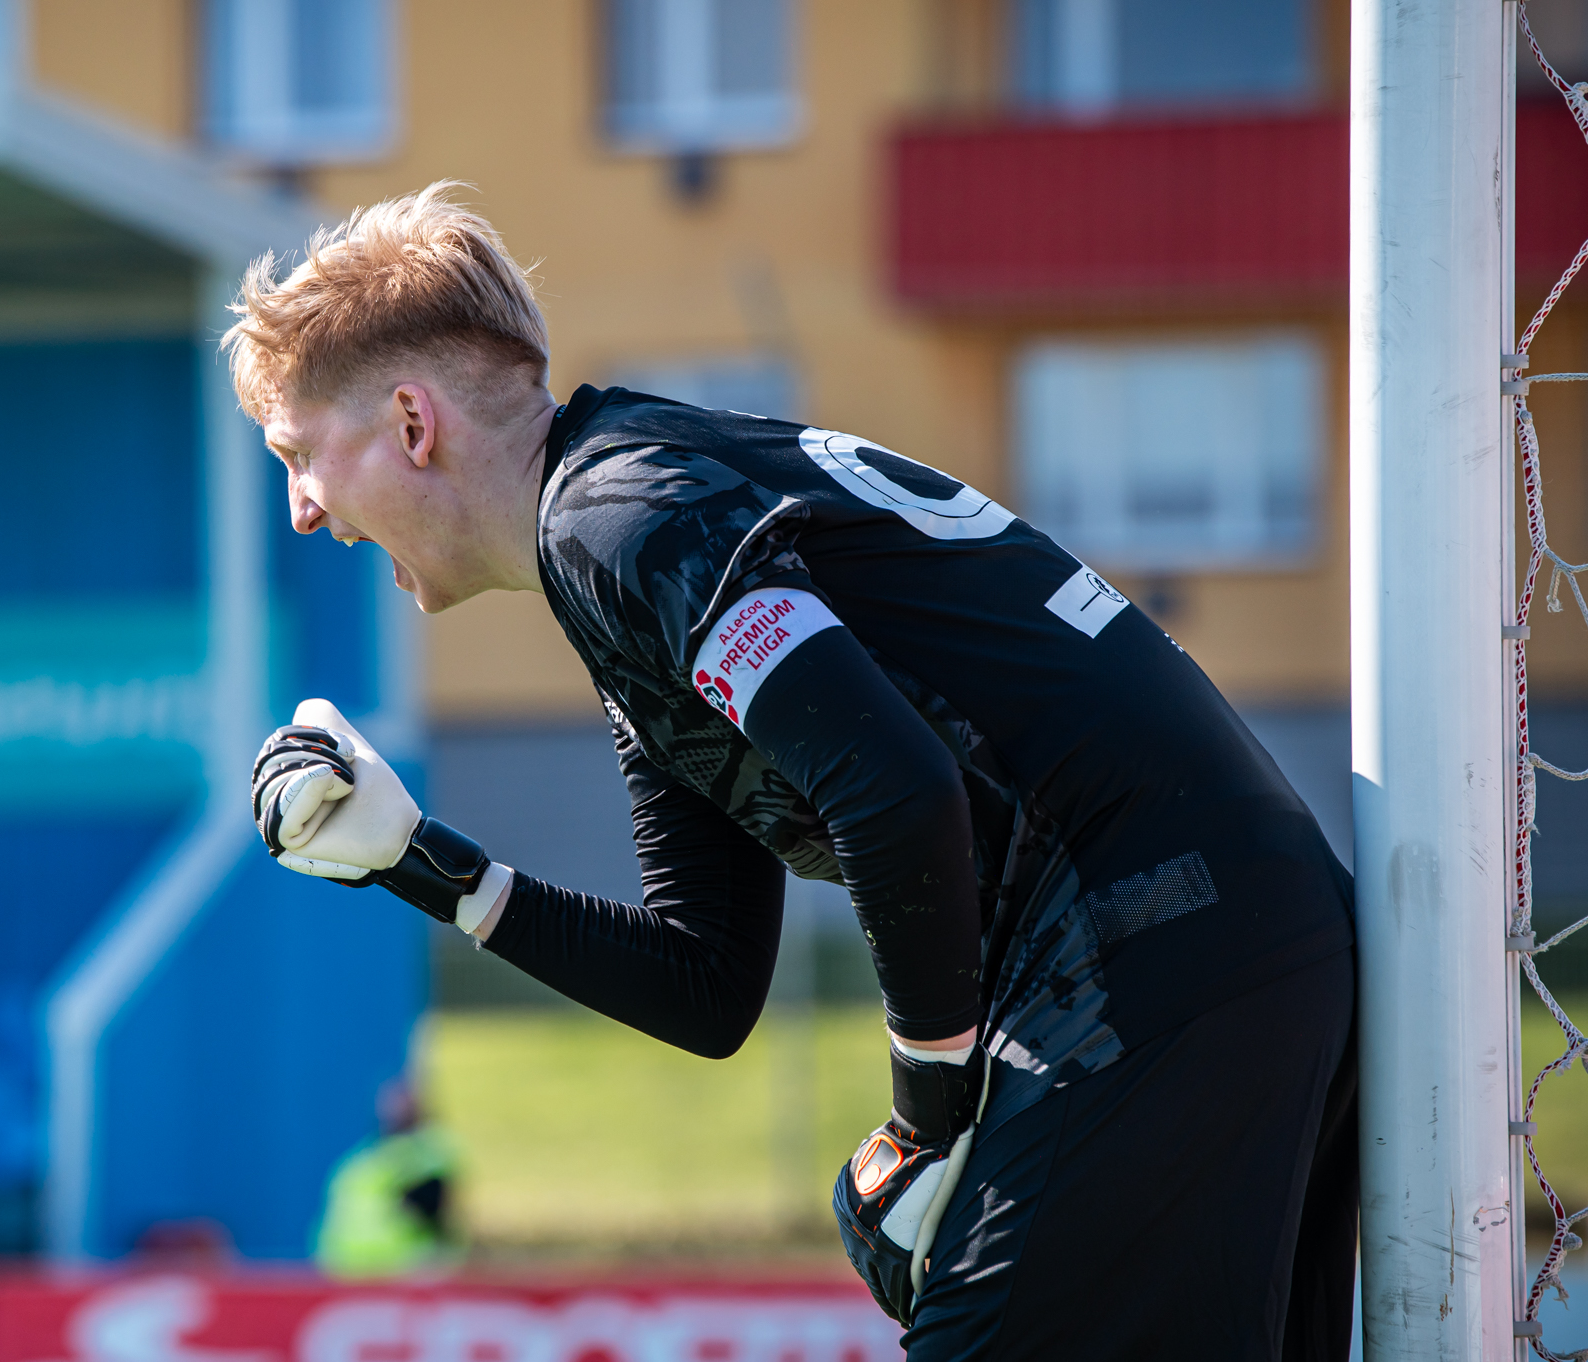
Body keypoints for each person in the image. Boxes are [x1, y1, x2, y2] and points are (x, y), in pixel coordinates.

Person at [230, 184, 1357, 1359]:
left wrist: (924, 1122)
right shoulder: (623, 540)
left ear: (413, 424)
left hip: (1155, 958)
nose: (303, 511)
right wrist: (421, 861)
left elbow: (896, 791)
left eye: (298, 455)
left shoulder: (617, 517)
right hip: (1218, 944)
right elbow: (706, 982)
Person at [313, 1076, 463, 1279]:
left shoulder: (429, 1157)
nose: (394, 1109)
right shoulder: (363, 1160)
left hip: (405, 1274)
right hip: (347, 1274)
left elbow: (436, 1213)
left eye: (402, 1102)